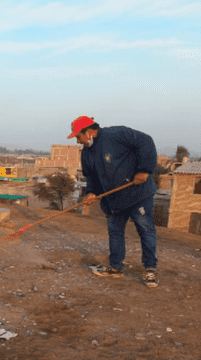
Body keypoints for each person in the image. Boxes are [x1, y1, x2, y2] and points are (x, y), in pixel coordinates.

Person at [68, 115, 159, 288]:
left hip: (138, 193)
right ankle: (115, 267)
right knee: (115, 232)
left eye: (78, 137)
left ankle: (150, 269)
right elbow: (91, 177)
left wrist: (144, 170)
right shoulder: (87, 153)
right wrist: (91, 193)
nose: (78, 142)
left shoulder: (117, 134)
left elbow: (146, 142)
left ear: (88, 132)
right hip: (113, 200)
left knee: (145, 230)